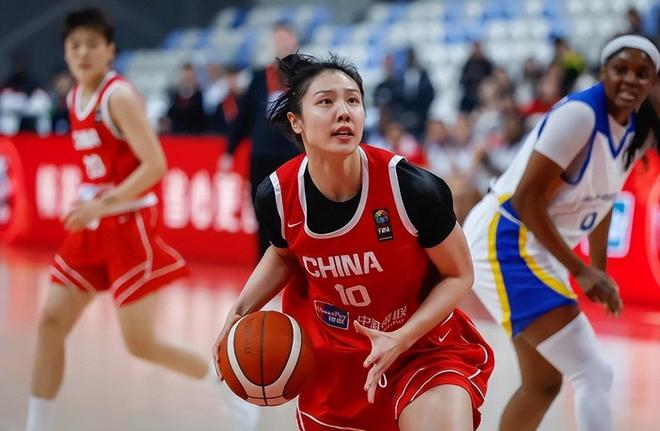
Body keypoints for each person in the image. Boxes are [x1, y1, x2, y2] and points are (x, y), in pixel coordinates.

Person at [214, 53, 493, 431]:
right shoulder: (277, 195)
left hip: (421, 348)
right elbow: (283, 255)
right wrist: (238, 312)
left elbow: (459, 275)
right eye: (326, 101)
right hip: (335, 363)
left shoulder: (411, 189)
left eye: (353, 100)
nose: (343, 112)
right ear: (296, 121)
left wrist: (400, 337)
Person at [26, 9, 258, 431]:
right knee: (49, 324)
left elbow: (155, 165)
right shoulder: (74, 97)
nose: (83, 53)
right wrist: (90, 200)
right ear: (65, 51)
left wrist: (104, 203)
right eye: (75, 45)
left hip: (128, 225)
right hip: (93, 224)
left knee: (141, 344)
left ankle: (223, 381)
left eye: (92, 44)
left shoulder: (118, 97)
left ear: (110, 50)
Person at [463, 34, 659, 431]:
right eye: (621, 69)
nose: (630, 79)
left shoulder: (634, 127)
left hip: (530, 244)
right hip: (505, 239)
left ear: (653, 82)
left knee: (543, 383)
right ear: (603, 72)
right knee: (593, 372)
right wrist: (581, 270)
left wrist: (599, 270)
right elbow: (526, 201)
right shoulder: (580, 116)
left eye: (642, 73)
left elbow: (604, 200)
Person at [220, 20, 302, 257]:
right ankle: (264, 263)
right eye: (276, 38)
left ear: (294, 41)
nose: (280, 43)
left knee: (294, 210)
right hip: (262, 154)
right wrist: (230, 151)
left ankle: (297, 261)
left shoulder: (305, 75)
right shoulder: (259, 77)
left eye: (284, 38)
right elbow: (244, 117)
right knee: (262, 208)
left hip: (292, 152)